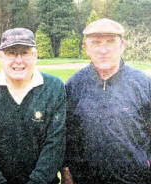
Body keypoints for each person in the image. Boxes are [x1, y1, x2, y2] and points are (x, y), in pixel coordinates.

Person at [0, 28, 66, 184]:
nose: (18, 60)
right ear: (0, 56)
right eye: (11, 53)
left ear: (35, 55)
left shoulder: (54, 87)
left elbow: (55, 144)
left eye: (24, 53)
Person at [62, 18, 151, 184]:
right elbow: (66, 135)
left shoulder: (143, 83)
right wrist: (66, 171)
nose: (103, 50)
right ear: (86, 48)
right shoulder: (73, 85)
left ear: (122, 45)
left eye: (110, 42)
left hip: (135, 179)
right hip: (85, 179)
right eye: (96, 43)